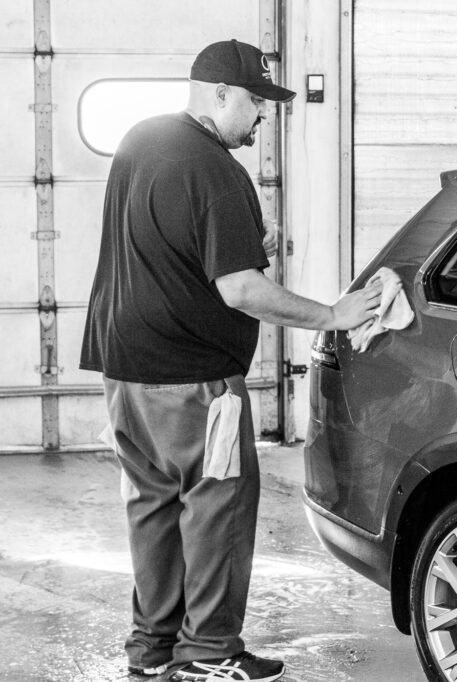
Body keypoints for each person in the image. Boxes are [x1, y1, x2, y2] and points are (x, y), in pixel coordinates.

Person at [80, 39, 382, 682]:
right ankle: (210, 653)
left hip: (125, 372)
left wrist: (248, 240)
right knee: (218, 510)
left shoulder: (142, 140)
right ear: (220, 94)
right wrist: (334, 315)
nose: (262, 116)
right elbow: (240, 290)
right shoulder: (216, 168)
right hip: (195, 381)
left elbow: (165, 242)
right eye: (256, 101)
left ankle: (152, 650)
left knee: (153, 509)